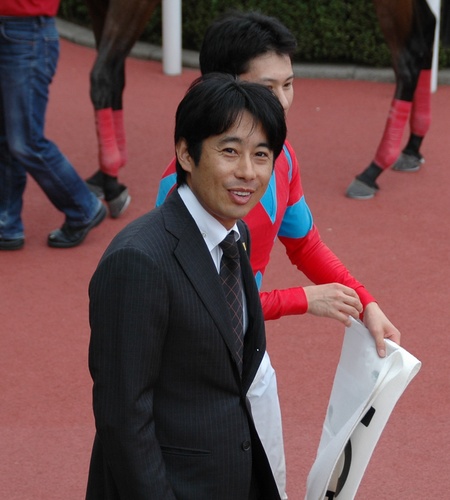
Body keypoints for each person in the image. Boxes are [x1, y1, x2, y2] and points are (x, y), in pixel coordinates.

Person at [156, 11, 402, 498]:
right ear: (222, 88)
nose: (283, 102)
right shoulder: (182, 188)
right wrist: (303, 300)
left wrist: (366, 301)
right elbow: (206, 304)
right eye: (268, 88)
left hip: (249, 353)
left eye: (288, 85)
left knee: (271, 485)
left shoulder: (281, 158)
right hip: (187, 372)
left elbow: (305, 244)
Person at [86, 73, 287, 499]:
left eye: (261, 154)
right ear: (185, 154)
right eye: (229, 151)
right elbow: (123, 418)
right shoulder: (139, 260)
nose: (247, 172)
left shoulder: (236, 236)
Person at [0, 1, 106, 250]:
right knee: (6, 138)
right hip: (17, 31)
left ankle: (84, 207)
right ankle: (7, 223)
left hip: (26, 32)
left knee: (26, 141)